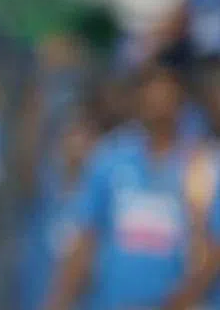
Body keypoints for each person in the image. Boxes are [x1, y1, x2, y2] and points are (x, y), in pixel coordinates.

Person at [45, 58, 220, 310]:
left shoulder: (203, 164)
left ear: (182, 97)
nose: (158, 100)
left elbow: (214, 250)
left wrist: (180, 300)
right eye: (149, 89)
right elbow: (86, 238)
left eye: (167, 91)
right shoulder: (110, 157)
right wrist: (59, 301)